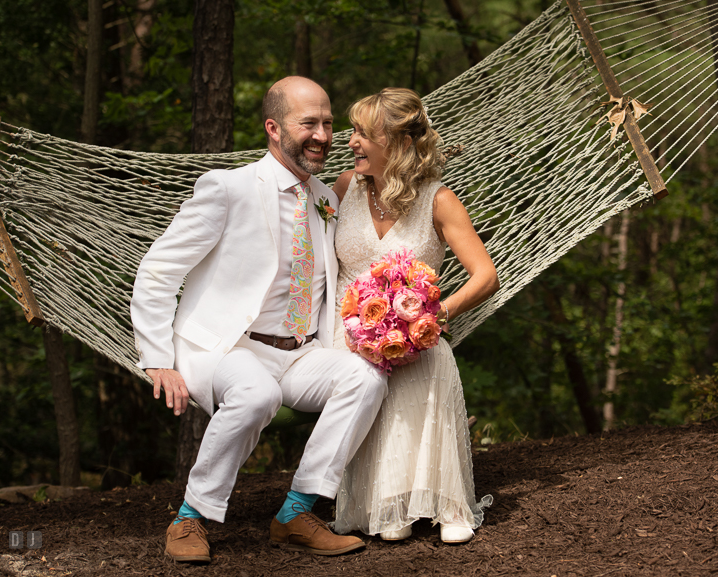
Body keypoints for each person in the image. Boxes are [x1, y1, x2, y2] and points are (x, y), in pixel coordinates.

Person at [130, 76, 388, 562]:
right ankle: (190, 518)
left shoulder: (327, 201)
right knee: (257, 393)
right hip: (230, 347)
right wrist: (156, 359)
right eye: (308, 123)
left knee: (367, 377)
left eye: (329, 124)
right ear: (273, 127)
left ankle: (296, 512)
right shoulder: (227, 188)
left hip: (303, 351)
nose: (323, 135)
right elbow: (159, 270)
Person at [330, 87, 498, 544]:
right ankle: (387, 505)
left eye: (364, 134)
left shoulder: (438, 201)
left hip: (414, 338)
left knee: (430, 358)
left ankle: (442, 500)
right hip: (346, 340)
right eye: (353, 132)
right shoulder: (343, 189)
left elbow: (485, 276)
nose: (351, 142)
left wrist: (430, 318)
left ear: (399, 144)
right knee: (363, 374)